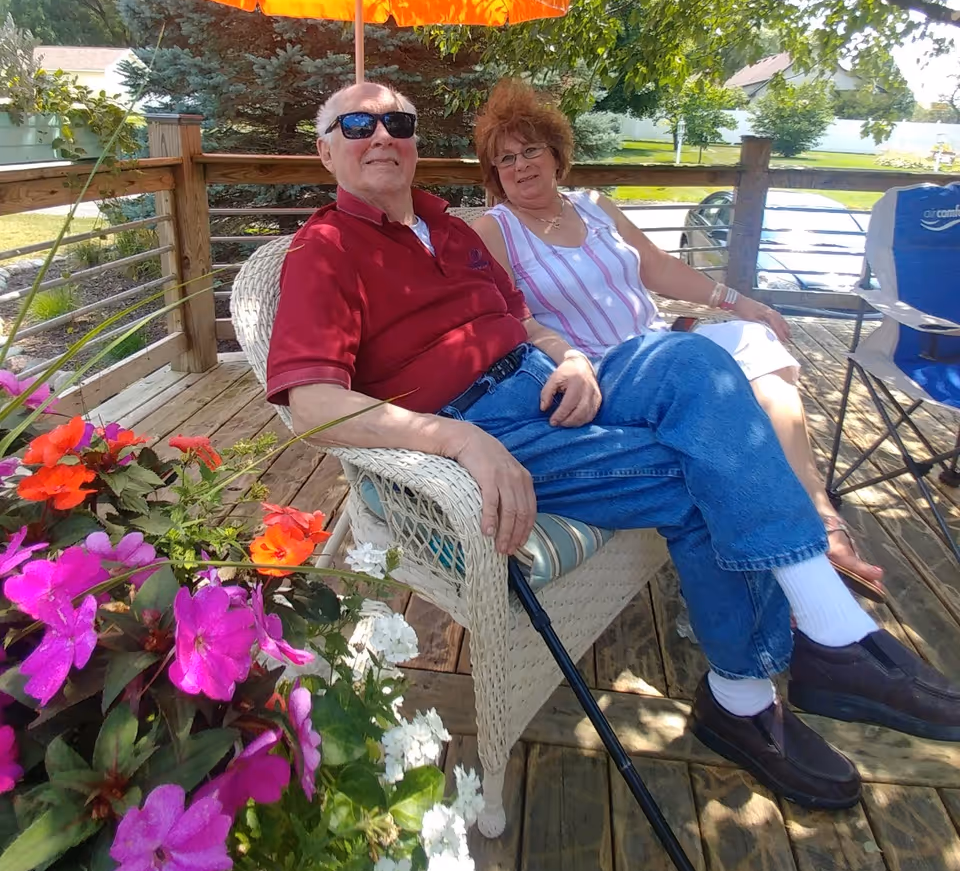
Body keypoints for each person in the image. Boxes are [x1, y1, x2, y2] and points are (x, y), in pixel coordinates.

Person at [266, 81, 960, 813]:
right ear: (325, 149)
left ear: (412, 140)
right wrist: (457, 437)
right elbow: (310, 407)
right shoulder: (327, 249)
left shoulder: (452, 227)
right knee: (701, 471)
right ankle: (757, 688)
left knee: (701, 365)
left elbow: (522, 319)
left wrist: (567, 356)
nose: (380, 134)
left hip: (556, 381)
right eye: (356, 123)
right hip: (485, 425)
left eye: (397, 120)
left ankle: (824, 638)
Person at [471, 79, 884, 600]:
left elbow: (658, 267)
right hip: (606, 374)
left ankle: (819, 515)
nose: (521, 165)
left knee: (760, 350)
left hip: (662, 347)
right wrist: (568, 357)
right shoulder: (496, 230)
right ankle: (803, 557)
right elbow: (515, 318)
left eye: (530, 149)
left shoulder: (595, 205)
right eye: (505, 159)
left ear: (556, 154)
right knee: (730, 395)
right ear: (495, 175)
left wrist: (737, 301)